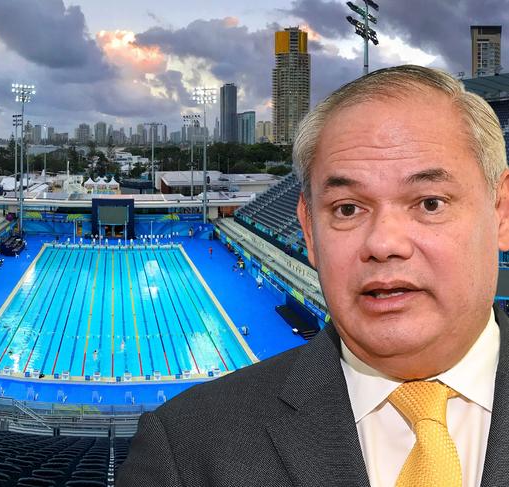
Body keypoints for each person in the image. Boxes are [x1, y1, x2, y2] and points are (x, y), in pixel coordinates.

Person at [116, 65, 509, 487]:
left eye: (430, 203)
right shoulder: (187, 449)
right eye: (347, 209)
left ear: (501, 211)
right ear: (308, 230)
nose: (383, 243)